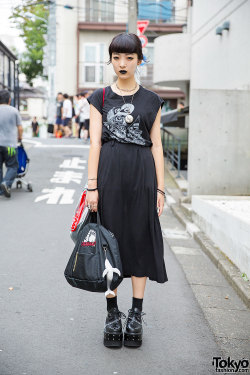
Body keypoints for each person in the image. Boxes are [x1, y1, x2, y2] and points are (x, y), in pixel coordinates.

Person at [86, 33, 168, 349]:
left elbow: (157, 144)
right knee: (109, 243)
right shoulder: (100, 98)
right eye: (117, 57)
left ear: (139, 60)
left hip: (142, 178)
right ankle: (111, 313)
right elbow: (95, 143)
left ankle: (135, 314)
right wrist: (92, 186)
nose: (123, 64)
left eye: (129, 58)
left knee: (139, 240)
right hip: (108, 177)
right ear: (111, 59)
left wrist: (160, 189)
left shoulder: (151, 100)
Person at [0, 90, 23, 198]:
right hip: (10, 146)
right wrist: (20, 137)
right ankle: (6, 183)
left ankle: (0, 189)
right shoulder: (14, 111)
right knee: (13, 166)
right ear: (9, 100)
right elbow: (20, 127)